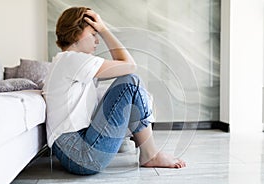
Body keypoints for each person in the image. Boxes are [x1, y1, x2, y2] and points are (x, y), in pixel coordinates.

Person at [42, 7, 186, 175]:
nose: (97, 41)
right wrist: (104, 29)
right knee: (131, 81)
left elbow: (124, 67)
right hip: (80, 154)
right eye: (93, 34)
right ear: (76, 33)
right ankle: (150, 154)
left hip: (72, 153)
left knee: (128, 84)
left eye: (98, 34)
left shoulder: (66, 62)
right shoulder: (73, 60)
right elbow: (129, 66)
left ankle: (144, 149)